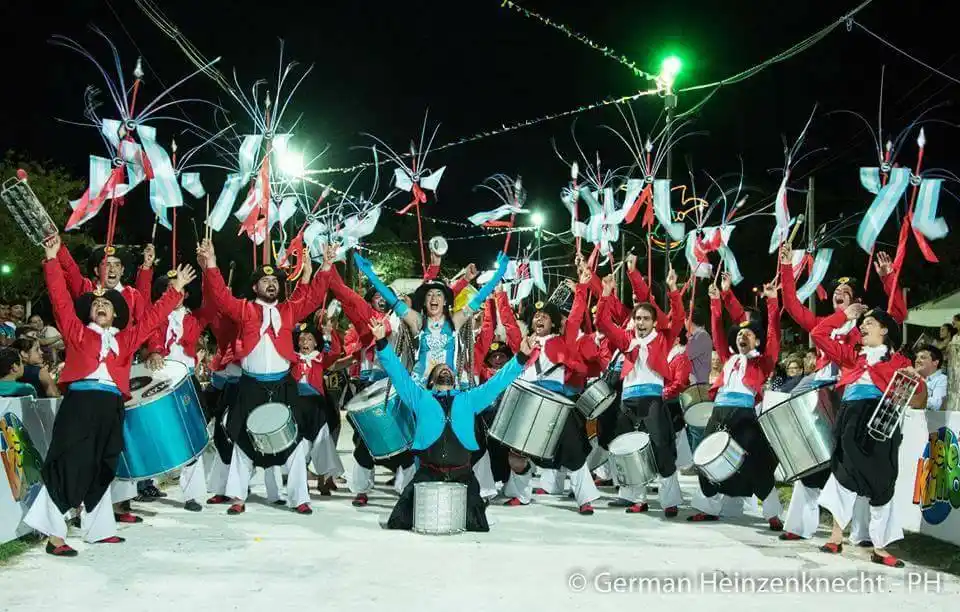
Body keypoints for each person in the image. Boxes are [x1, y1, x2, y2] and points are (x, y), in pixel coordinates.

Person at [23, 234, 192, 557]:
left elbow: (153, 318)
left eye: (107, 305)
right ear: (89, 312)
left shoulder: (125, 339)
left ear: (116, 315)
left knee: (104, 465)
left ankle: (98, 530)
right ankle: (54, 536)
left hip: (112, 405)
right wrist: (51, 259)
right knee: (70, 465)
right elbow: (60, 298)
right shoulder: (76, 331)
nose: (101, 306)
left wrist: (175, 290)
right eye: (96, 304)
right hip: (81, 405)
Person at [196, 238, 330, 515]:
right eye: (265, 281)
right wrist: (211, 263)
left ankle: (300, 498)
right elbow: (220, 296)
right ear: (255, 286)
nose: (272, 284)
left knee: (292, 442)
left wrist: (325, 266)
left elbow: (314, 297)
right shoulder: (244, 309)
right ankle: (237, 496)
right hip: (251, 385)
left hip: (282, 384)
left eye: (276, 281)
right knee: (243, 440)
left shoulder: (289, 310)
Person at [776, 244, 899, 542]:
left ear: (856, 299)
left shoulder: (866, 326)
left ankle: (861, 533)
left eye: (844, 290)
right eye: (835, 291)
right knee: (813, 458)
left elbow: (897, 313)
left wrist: (888, 277)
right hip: (821, 395)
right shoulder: (823, 324)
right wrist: (787, 268)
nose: (837, 293)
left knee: (853, 462)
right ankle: (799, 525)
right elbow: (792, 306)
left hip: (849, 396)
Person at [370, 315, 534, 531]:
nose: (446, 369)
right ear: (431, 381)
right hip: (428, 472)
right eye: (440, 370)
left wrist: (521, 356)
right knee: (398, 522)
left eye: (449, 369)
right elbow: (398, 373)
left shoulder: (470, 398)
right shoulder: (419, 397)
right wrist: (381, 342)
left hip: (463, 473)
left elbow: (498, 382)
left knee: (478, 527)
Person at [812, 304, 927, 567]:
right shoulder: (852, 355)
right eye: (861, 323)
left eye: (870, 323)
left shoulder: (898, 361)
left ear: (884, 330)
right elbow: (819, 334)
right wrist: (845, 315)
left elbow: (917, 392)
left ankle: (880, 547)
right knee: (843, 473)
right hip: (851, 419)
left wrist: (915, 378)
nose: (863, 326)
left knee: (883, 480)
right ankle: (836, 537)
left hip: (881, 421)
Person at [687, 281, 783, 530]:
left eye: (749, 333)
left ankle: (772, 514)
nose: (742, 335)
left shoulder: (763, 361)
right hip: (719, 413)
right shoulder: (728, 358)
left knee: (757, 462)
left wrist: (772, 302)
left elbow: (774, 335)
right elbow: (717, 330)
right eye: (740, 333)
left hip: (744, 415)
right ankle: (708, 508)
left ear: (758, 341)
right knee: (706, 458)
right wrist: (715, 301)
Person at [596, 269, 685, 515]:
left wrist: (673, 290)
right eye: (638, 319)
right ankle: (638, 499)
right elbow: (601, 323)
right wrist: (604, 294)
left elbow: (678, 318)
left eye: (646, 319)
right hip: (628, 401)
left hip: (652, 399)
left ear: (654, 321)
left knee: (661, 447)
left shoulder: (663, 338)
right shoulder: (626, 339)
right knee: (627, 449)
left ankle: (670, 501)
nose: (642, 323)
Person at [141, 269, 219, 512]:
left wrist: (208, 268)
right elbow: (149, 330)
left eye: (179, 289)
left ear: (185, 294)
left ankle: (193, 494)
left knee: (191, 434)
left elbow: (215, 301)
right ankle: (145, 482)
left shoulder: (194, 319)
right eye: (168, 288)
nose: (174, 293)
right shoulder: (155, 316)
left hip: (185, 382)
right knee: (153, 431)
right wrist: (154, 349)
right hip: (158, 381)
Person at [914, 345, 947, 411]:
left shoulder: (942, 379)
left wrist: (914, 398)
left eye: (923, 357)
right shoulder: (914, 378)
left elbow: (936, 405)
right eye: (916, 357)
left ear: (935, 362)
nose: (917, 360)